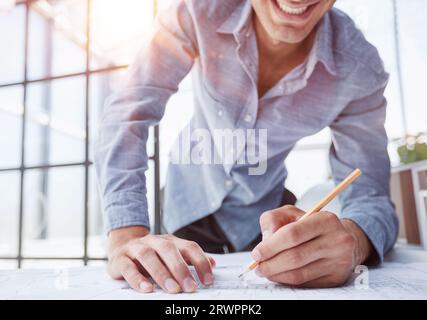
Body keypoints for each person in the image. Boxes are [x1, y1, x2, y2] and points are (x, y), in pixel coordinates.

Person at [95, 0, 398, 294]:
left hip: (266, 221)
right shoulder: (198, 9)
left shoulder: (360, 71)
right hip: (183, 207)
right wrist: (127, 234)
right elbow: (128, 113)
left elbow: (371, 196)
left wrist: (355, 242)